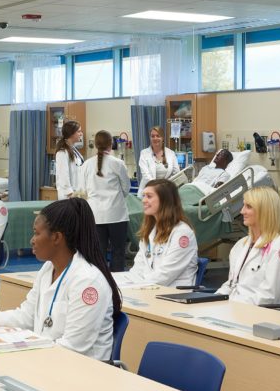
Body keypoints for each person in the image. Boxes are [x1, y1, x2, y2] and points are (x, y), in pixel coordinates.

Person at [0, 198, 122, 363]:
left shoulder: (88, 281)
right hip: (51, 361)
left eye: (36, 233)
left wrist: (21, 354)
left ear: (57, 237)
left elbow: (73, 348)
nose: (32, 240)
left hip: (81, 372)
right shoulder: (48, 269)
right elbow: (25, 317)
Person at [216, 186, 280, 305]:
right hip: (234, 309)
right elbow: (230, 284)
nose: (242, 211)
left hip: (256, 314)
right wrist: (212, 301)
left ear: (264, 211)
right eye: (243, 206)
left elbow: (268, 297)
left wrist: (232, 307)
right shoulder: (240, 245)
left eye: (248, 207)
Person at [126, 179, 198, 286]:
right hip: (149, 288)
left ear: (165, 200)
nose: (143, 200)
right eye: (144, 196)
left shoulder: (182, 233)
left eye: (149, 196)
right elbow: (138, 268)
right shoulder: (150, 230)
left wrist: (134, 286)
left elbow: (165, 275)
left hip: (173, 294)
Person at [78, 130, 130, 272]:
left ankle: (100, 283)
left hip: (95, 216)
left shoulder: (86, 165)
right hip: (116, 215)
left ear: (95, 145)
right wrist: (116, 198)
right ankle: (118, 284)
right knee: (118, 251)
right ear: (111, 144)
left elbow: (82, 190)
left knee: (97, 252)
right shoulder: (118, 163)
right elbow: (126, 188)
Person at [138, 126, 180, 196]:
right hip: (149, 192)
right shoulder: (144, 153)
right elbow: (146, 175)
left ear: (163, 138)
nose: (155, 138)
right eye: (152, 136)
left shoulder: (171, 153)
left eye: (158, 136)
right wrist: (158, 188)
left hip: (165, 192)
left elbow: (176, 173)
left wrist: (167, 187)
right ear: (150, 138)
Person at [54, 120, 84, 200]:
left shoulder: (73, 149)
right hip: (69, 196)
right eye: (79, 131)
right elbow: (63, 175)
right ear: (71, 133)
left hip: (76, 193)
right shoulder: (62, 152)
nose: (81, 134)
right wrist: (71, 193)